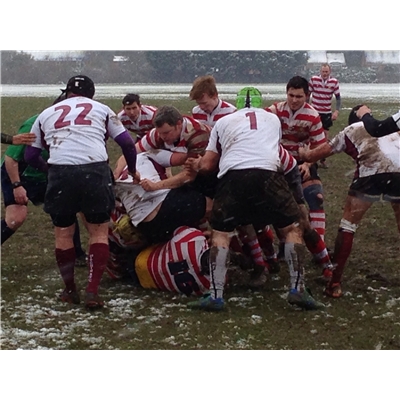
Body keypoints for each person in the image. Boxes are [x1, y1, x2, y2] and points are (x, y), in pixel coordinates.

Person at [185, 89, 325, 312]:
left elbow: (209, 164)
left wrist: (197, 165)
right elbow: (274, 150)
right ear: (261, 105)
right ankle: (297, 288)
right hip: (268, 174)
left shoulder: (223, 121)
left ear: (238, 105)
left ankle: (215, 295)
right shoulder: (273, 119)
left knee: (222, 233)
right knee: (292, 228)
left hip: (233, 176)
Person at [24, 75, 138, 310]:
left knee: (63, 234)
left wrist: (50, 170)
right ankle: (93, 291)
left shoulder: (47, 113)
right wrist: (133, 170)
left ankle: (69, 289)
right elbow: (127, 143)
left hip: (61, 173)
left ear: (67, 92)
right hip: (94, 171)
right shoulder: (103, 109)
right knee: (98, 232)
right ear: (91, 94)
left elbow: (29, 155)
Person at [298, 105, 400, 298]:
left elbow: (318, 154)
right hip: (399, 172)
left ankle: (334, 283)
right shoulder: (391, 130)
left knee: (348, 225)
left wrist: (304, 154)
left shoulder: (351, 130)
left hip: (371, 173)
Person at [1, 99, 87, 265]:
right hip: (18, 174)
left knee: (64, 211)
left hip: (44, 175)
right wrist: (17, 186)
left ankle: (77, 255)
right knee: (15, 219)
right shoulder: (35, 125)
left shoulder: (78, 126)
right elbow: (11, 159)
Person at [266, 76, 327, 244]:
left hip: (302, 162)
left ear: (307, 96)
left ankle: (318, 243)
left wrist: (308, 164)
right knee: (279, 206)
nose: (294, 100)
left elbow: (320, 147)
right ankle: (284, 245)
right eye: (291, 95)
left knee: (316, 197)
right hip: (278, 163)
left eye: (299, 96)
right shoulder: (275, 111)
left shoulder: (313, 116)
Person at [114, 151, 208, 245]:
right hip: (164, 208)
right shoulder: (155, 153)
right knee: (206, 198)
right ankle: (210, 235)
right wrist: (198, 162)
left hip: (146, 227)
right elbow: (188, 173)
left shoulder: (128, 163)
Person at [308, 63, 341, 168]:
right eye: (323, 71)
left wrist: (336, 111)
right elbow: (308, 94)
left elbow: (338, 98)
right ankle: (311, 158)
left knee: (325, 137)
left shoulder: (334, 82)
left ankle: (322, 159)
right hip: (315, 112)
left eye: (326, 71)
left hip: (326, 112)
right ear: (320, 71)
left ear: (329, 72)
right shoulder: (314, 80)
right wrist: (306, 107)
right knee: (312, 135)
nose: (325, 73)